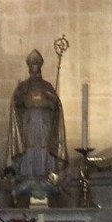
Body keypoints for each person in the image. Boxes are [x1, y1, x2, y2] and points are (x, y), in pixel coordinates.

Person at [7, 49, 69, 202]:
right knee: (29, 149)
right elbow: (17, 105)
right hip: (28, 124)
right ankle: (28, 177)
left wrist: (53, 101)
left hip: (45, 124)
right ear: (29, 69)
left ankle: (46, 177)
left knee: (44, 149)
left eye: (36, 67)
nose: (34, 71)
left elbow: (56, 106)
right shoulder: (23, 87)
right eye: (32, 68)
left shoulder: (47, 86)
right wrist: (19, 97)